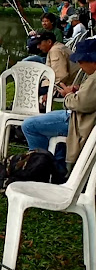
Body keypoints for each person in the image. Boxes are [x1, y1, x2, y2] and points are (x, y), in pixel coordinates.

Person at [21, 38, 96, 175]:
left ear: (93, 61)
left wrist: (68, 95)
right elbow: (88, 98)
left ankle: (39, 168)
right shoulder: (92, 75)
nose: (79, 65)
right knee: (44, 118)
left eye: (81, 61)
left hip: (79, 121)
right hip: (77, 116)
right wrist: (78, 90)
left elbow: (79, 104)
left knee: (29, 125)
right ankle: (56, 162)